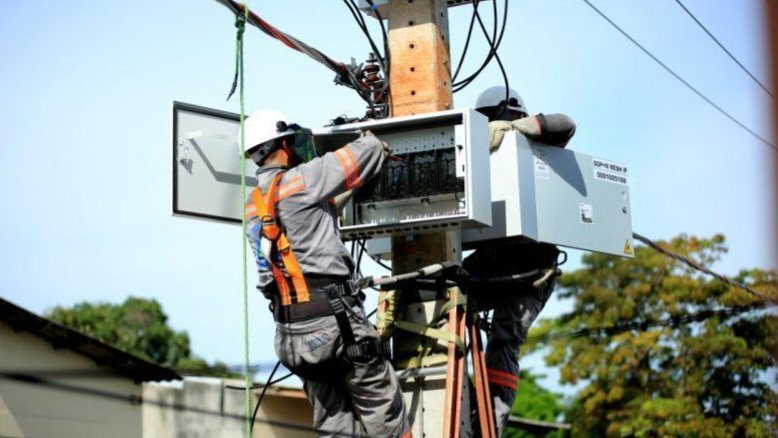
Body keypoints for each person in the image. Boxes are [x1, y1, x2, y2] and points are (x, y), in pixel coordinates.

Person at [243, 109, 411, 438]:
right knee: (385, 418)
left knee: (335, 428)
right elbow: (370, 150)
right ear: (284, 143)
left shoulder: (252, 205)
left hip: (292, 337)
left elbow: (270, 274)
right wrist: (364, 128)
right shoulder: (304, 178)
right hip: (336, 325)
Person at [464, 86, 576, 435]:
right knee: (440, 302)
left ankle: (488, 426)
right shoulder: (475, 149)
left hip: (531, 269)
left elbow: (565, 124)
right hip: (494, 259)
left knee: (504, 340)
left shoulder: (539, 148)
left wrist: (516, 130)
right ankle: (457, 411)